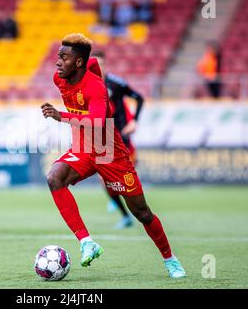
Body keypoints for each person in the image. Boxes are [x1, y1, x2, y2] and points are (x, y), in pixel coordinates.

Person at [41, 33, 186, 278]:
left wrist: (61, 116)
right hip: (84, 148)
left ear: (78, 63)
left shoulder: (96, 87)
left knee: (142, 213)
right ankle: (87, 242)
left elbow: (98, 124)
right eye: (58, 56)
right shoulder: (60, 78)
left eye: (64, 57)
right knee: (55, 177)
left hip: (110, 151)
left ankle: (170, 259)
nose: (57, 62)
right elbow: (93, 63)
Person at [89, 51, 145, 229]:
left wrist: (134, 120)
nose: (98, 68)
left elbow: (139, 98)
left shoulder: (116, 84)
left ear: (105, 65)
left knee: (124, 179)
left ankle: (141, 213)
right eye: (94, 65)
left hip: (120, 136)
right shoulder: (87, 85)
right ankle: (125, 216)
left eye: (101, 64)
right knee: (104, 180)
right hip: (101, 137)